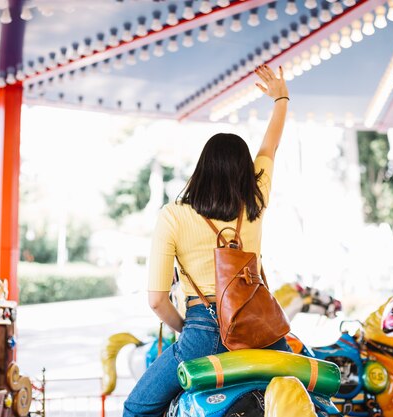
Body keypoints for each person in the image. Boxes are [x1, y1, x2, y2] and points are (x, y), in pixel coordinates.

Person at [122, 64, 290, 417]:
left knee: (137, 408)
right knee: (313, 393)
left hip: (203, 330)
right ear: (246, 171)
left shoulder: (174, 216)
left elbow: (156, 300)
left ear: (201, 169)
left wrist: (189, 328)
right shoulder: (255, 199)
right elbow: (270, 147)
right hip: (261, 330)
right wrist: (281, 99)